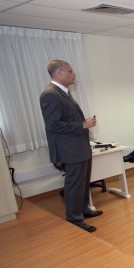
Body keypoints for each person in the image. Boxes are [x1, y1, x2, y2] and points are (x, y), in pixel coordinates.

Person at [39, 60, 100, 233]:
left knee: (83, 182)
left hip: (79, 147)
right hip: (70, 150)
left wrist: (83, 125)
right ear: (59, 73)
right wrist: (82, 125)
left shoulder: (63, 92)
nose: (74, 74)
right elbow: (53, 125)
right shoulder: (50, 94)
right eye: (70, 71)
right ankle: (74, 218)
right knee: (74, 184)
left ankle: (84, 210)